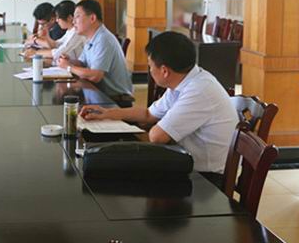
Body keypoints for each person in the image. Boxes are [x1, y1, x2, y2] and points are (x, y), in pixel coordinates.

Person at [80, 30, 238, 177]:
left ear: (164, 71)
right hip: (186, 161)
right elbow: (148, 114)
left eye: (150, 66)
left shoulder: (199, 90)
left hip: (205, 177)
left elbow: (157, 136)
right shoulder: (184, 80)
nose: (149, 71)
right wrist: (106, 113)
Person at [57, 0, 133, 105]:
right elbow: (82, 63)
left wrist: (68, 67)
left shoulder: (103, 39)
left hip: (115, 101)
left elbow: (95, 76)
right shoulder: (91, 37)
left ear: (92, 18)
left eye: (77, 16)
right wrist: (69, 61)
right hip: (98, 94)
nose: (73, 22)